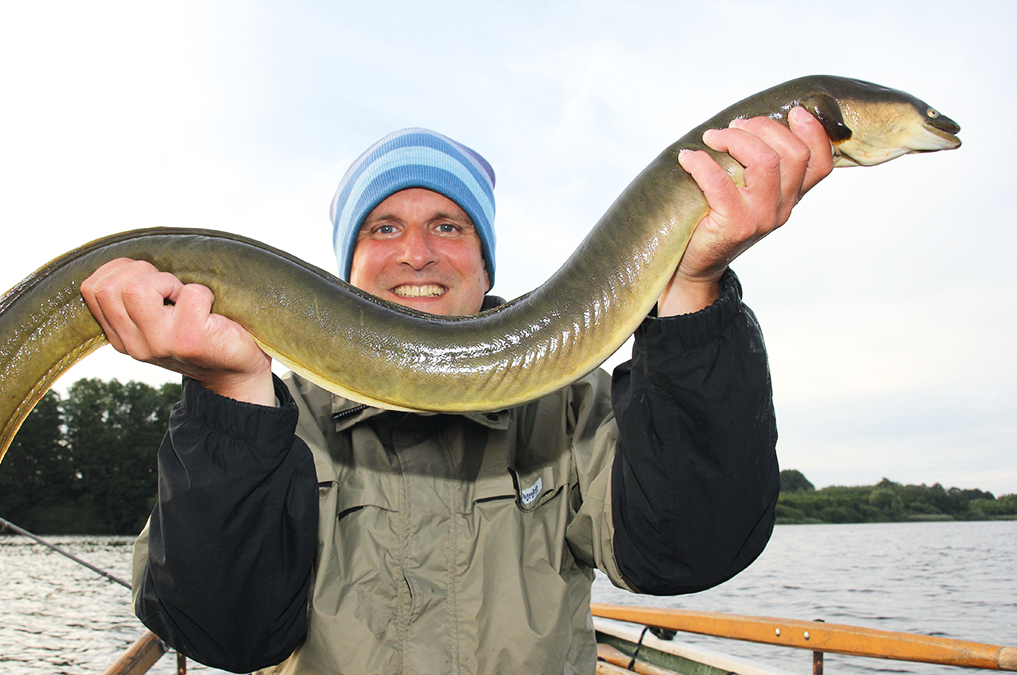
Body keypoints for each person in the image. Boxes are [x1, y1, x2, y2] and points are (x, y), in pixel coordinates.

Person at [81, 110, 833, 674]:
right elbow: (223, 630)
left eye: (447, 224)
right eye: (382, 227)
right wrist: (229, 394)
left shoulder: (569, 406)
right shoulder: (272, 422)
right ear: (344, 268)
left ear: (483, 263)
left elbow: (689, 549)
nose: (416, 250)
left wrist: (693, 294)